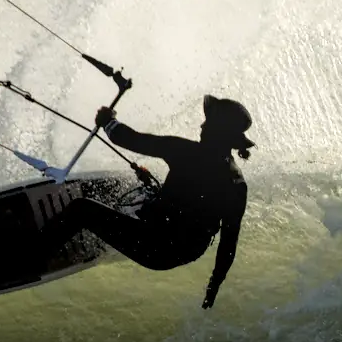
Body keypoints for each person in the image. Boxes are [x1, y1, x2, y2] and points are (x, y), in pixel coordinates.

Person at [42, 95, 253, 308]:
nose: (201, 125)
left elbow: (130, 139)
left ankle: (34, 256)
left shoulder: (186, 152)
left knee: (82, 209)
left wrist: (108, 121)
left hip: (154, 246)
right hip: (183, 253)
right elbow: (228, 243)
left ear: (218, 132)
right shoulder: (237, 183)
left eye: (207, 123)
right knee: (152, 197)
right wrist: (213, 286)